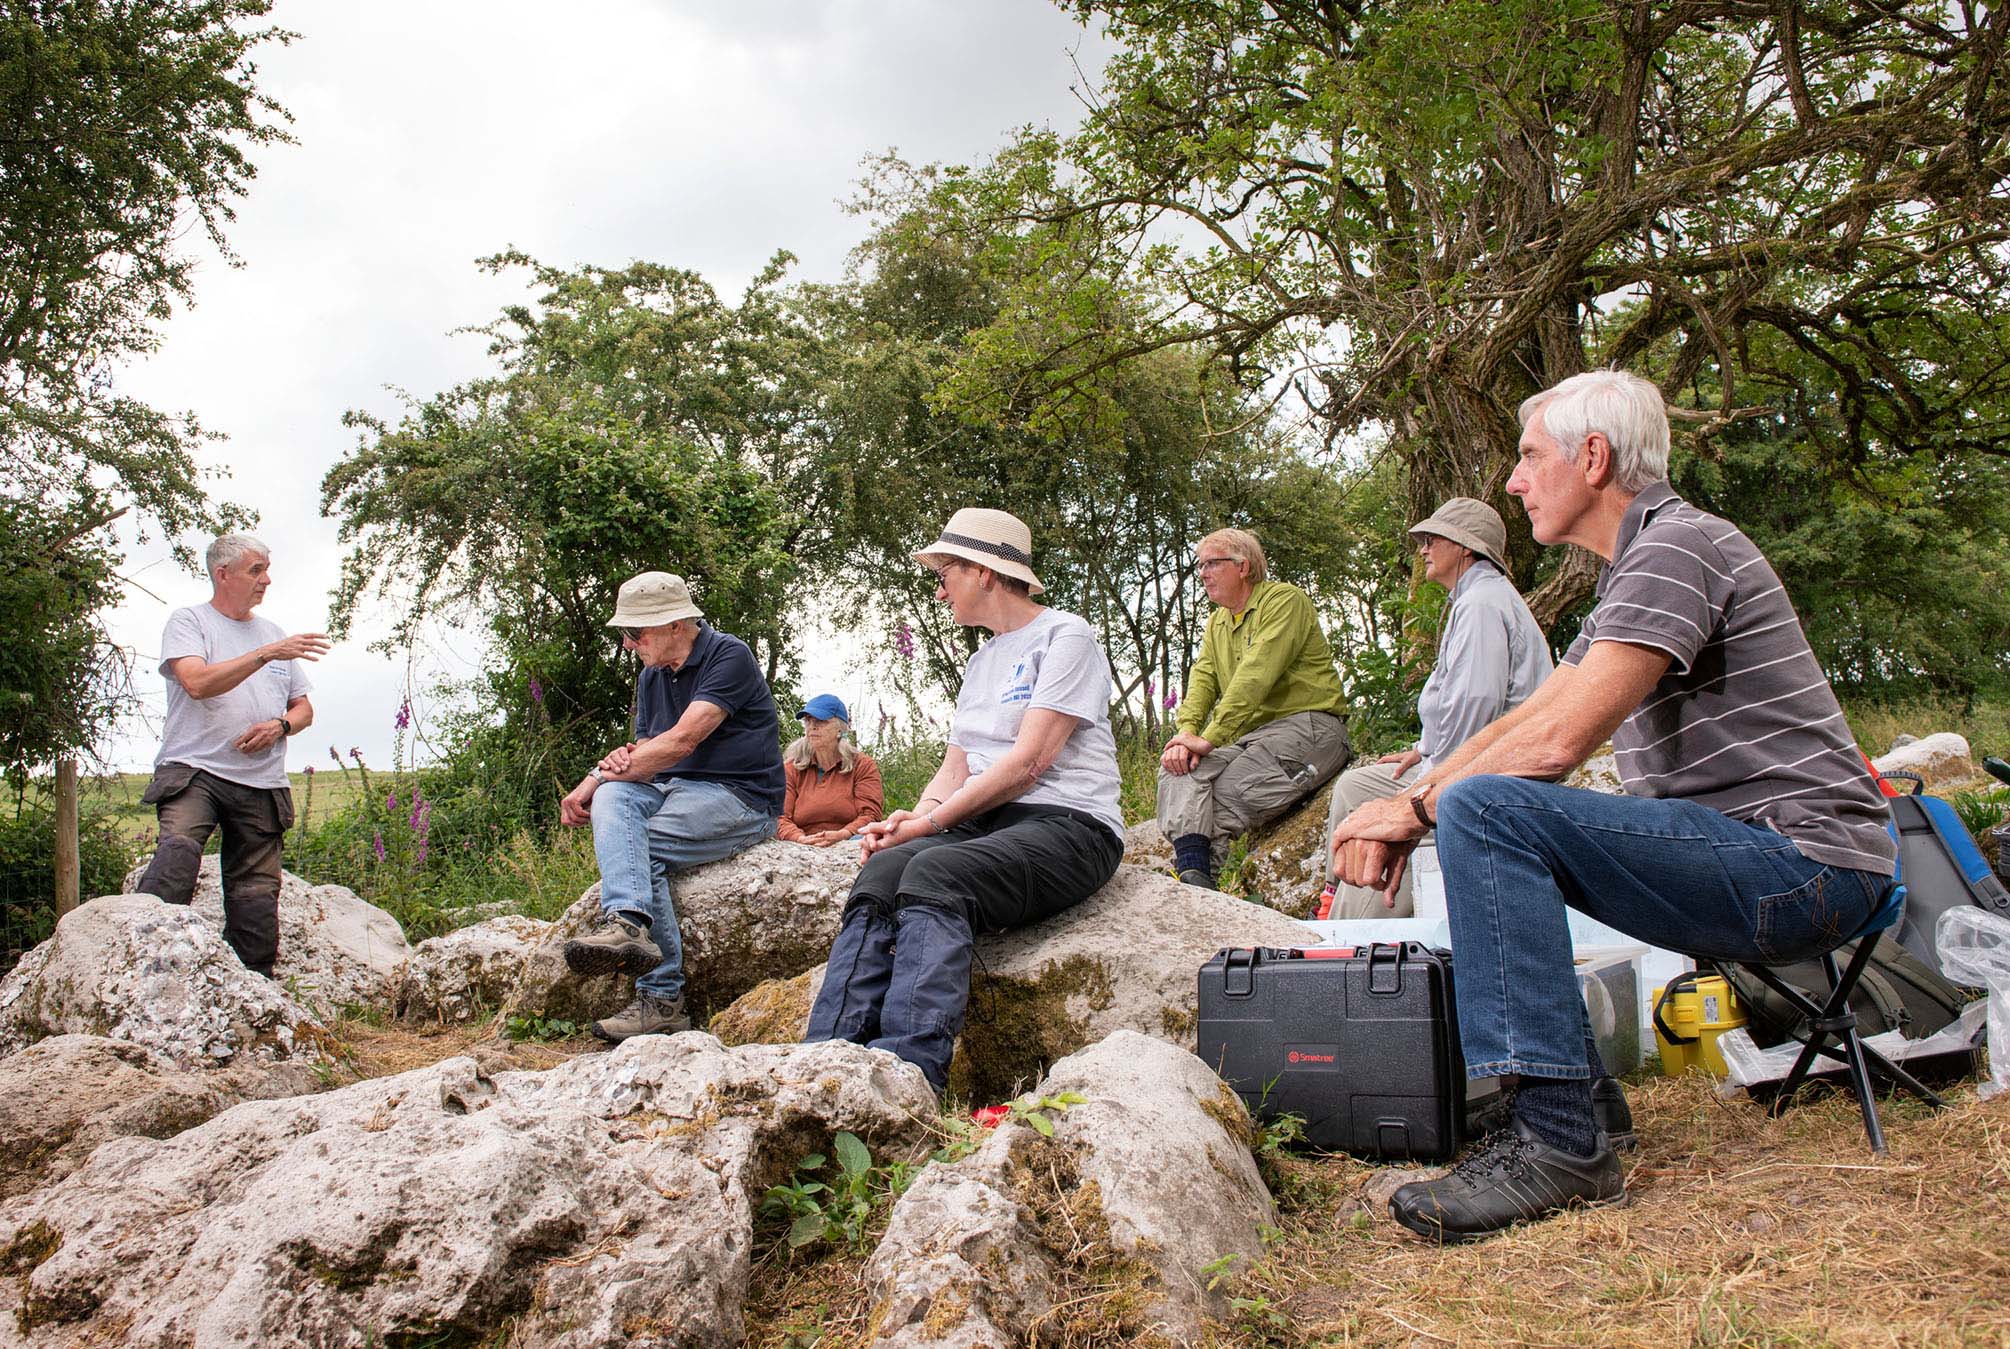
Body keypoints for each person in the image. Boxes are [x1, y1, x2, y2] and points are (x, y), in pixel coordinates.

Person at [1331, 370, 1898, 1242]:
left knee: (1485, 808)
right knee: (1480, 800)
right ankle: (1585, 1098)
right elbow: (1534, 716)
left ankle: (1558, 1140)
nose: (1513, 481)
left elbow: (1561, 745)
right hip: (1759, 856)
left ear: (1593, 457)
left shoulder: (1678, 546)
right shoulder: (1632, 571)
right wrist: (1416, 797)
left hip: (1803, 863)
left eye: (1527, 457)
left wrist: (1416, 813)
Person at [804, 508, 1125, 1092]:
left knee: (936, 870)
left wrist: (930, 829)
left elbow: (1028, 765)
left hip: (1071, 826)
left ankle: (908, 1077)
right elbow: (957, 765)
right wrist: (912, 817)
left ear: (984, 572)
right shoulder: (981, 660)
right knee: (880, 872)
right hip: (989, 823)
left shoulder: (1065, 636)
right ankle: (825, 1065)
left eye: (946, 569)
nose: (938, 585)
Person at [558, 571, 785, 1042]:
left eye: (635, 633)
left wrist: (594, 775)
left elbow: (681, 741)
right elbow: (649, 760)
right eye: (625, 633)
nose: (627, 644)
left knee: (640, 845)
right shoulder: (650, 677)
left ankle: (661, 998)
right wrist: (618, 767)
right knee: (615, 795)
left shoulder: (730, 655)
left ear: (676, 624)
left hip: (739, 796)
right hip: (672, 789)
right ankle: (627, 925)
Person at [1320, 498, 1552, 917]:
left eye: (1432, 540)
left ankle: (1351, 924)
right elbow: (1464, 706)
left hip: (1481, 779)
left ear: (1466, 547)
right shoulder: (1476, 596)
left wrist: (1418, 793)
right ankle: (1330, 892)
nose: (1423, 549)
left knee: (1372, 833)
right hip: (1464, 762)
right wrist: (1423, 746)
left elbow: (1476, 708)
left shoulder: (1482, 605)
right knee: (1354, 787)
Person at [134, 534, 330, 975]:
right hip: (194, 772)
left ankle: (253, 994)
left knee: (257, 896)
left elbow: (304, 709)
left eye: (266, 570)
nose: (266, 581)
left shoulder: (273, 634)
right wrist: (264, 655)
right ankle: (140, 968)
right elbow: (197, 683)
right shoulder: (190, 622)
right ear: (223, 574)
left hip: (261, 782)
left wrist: (280, 726)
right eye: (255, 571)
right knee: (176, 860)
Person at [1158, 528, 1352, 889]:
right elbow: (1203, 680)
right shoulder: (1217, 622)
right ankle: (1194, 874)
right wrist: (1186, 734)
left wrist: (1210, 737)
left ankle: (1197, 882)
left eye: (1212, 564)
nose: (1202, 573)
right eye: (1200, 566)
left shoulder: (1283, 601)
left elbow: (1255, 676)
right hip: (1257, 738)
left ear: (1243, 566)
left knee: (1222, 793)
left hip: (1310, 728)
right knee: (1177, 770)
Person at [778, 694, 884, 846]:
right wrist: (800, 838)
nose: (812, 726)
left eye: (820, 721)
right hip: (799, 843)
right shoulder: (792, 768)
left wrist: (843, 834)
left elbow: (870, 815)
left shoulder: (862, 765)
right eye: (808, 721)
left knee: (866, 841)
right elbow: (780, 817)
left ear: (840, 729)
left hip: (850, 839)